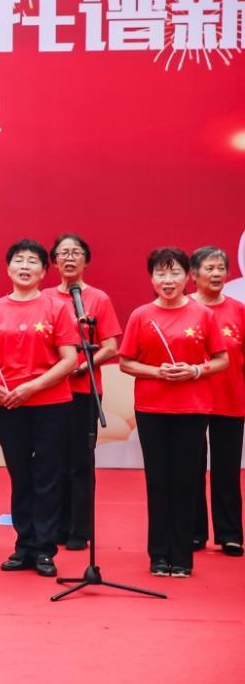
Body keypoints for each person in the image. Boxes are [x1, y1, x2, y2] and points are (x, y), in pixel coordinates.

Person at [0, 239, 79, 578]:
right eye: (18, 260)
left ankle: (44, 549)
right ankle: (23, 546)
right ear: (8, 268)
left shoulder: (57, 308)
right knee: (20, 476)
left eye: (33, 261)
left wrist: (32, 387)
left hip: (50, 405)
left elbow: (69, 358)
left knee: (47, 477)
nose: (25, 266)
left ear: (44, 271)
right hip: (7, 405)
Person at [120, 247, 228, 577]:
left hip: (192, 408)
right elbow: (126, 362)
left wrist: (194, 371)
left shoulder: (203, 315)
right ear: (152, 278)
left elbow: (221, 359)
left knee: (185, 481)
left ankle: (181, 557)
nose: (168, 280)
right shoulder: (141, 315)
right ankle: (158, 554)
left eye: (175, 273)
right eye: (161, 273)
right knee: (158, 481)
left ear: (187, 277)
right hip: (151, 408)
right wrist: (157, 372)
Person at [46, 234, 122, 551]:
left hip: (83, 389)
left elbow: (111, 346)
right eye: (63, 253)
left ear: (86, 261)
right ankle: (56, 526)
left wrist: (83, 364)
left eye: (76, 252)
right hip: (50, 392)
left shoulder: (98, 299)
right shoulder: (44, 298)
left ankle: (80, 529)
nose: (69, 258)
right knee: (53, 461)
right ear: (53, 261)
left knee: (80, 461)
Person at [190, 247, 244, 556]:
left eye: (221, 268)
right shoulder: (184, 308)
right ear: (193, 274)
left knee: (227, 469)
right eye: (209, 268)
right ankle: (194, 532)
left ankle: (230, 534)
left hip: (230, 399)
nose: (216, 274)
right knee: (191, 468)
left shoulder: (238, 310)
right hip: (190, 401)